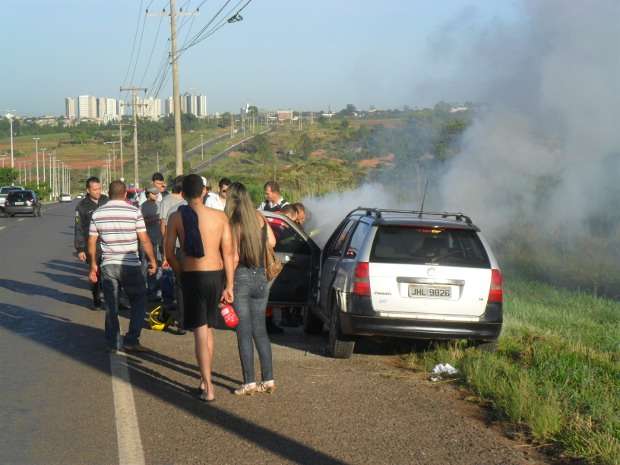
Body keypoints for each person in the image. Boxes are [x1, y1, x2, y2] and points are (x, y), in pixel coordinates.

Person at [166, 174, 234, 402]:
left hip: (192, 275)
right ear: (204, 191)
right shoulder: (220, 216)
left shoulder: (177, 217)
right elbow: (229, 253)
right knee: (209, 329)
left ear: (182, 194)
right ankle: (205, 378)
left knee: (199, 332)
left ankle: (208, 385)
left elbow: (168, 253)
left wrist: (180, 271)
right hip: (215, 275)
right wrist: (230, 285)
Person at [88, 180, 157, 352]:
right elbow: (144, 239)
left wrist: (93, 266)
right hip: (130, 265)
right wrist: (153, 261)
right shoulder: (134, 212)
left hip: (108, 265)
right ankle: (132, 339)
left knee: (111, 305)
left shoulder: (98, 213)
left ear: (108, 194)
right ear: (126, 194)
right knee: (139, 301)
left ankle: (113, 343)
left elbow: (91, 242)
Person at [225, 182, 277, 395]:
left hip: (242, 278)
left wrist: (227, 284)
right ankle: (269, 379)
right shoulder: (260, 218)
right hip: (261, 278)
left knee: (243, 332)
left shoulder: (234, 222)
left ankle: (249, 382)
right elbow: (272, 242)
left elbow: (234, 256)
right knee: (260, 331)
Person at [75, 176, 109, 310]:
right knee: (95, 273)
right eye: (95, 189)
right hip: (92, 246)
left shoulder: (106, 200)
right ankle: (96, 298)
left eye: (99, 189)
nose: (98, 192)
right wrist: (80, 249)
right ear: (88, 190)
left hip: (108, 243)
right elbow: (78, 228)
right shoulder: (82, 206)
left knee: (109, 273)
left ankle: (114, 299)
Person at [159, 175, 186, 329]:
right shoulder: (203, 209)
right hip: (198, 254)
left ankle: (182, 321)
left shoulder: (172, 208)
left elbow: (165, 230)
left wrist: (166, 254)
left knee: (180, 286)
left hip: (177, 250)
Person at [141, 186, 163, 301]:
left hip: (158, 239)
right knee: (146, 265)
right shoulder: (144, 206)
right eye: (153, 193)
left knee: (158, 264)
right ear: (148, 194)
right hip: (147, 240)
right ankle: (146, 289)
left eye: (156, 193)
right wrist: (154, 219)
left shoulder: (160, 204)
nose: (155, 195)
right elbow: (141, 222)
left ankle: (157, 291)